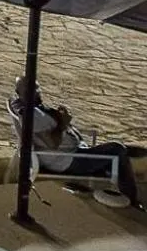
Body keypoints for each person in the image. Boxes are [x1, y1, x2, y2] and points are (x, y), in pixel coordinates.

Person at [8, 76, 141, 207]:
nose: (38, 90)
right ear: (21, 92)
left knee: (118, 151)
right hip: (70, 161)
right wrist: (63, 123)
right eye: (33, 88)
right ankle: (131, 199)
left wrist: (61, 118)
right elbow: (51, 144)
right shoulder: (32, 115)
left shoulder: (29, 108)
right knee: (117, 149)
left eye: (37, 87)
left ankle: (121, 161)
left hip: (72, 153)